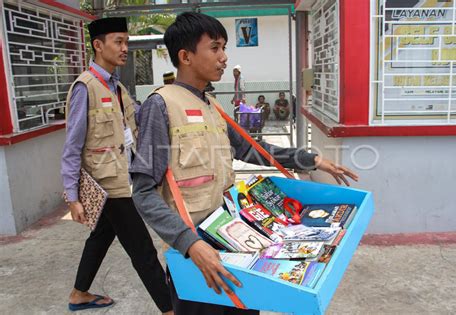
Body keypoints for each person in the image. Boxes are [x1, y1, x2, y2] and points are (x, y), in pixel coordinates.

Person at [129, 12, 358, 315]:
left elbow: (250, 150)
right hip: (196, 254)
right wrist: (191, 245)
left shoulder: (210, 104)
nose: (224, 57)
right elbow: (143, 192)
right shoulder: (160, 106)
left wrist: (310, 159)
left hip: (233, 239)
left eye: (224, 48)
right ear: (185, 56)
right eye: (215, 48)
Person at [60, 17, 173, 314]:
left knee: (101, 236)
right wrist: (72, 197)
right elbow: (72, 147)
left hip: (125, 177)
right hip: (109, 184)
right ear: (98, 45)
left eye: (126, 41)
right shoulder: (85, 88)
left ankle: (78, 293)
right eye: (118, 42)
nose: (125, 48)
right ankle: (170, 309)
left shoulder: (117, 87)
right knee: (143, 250)